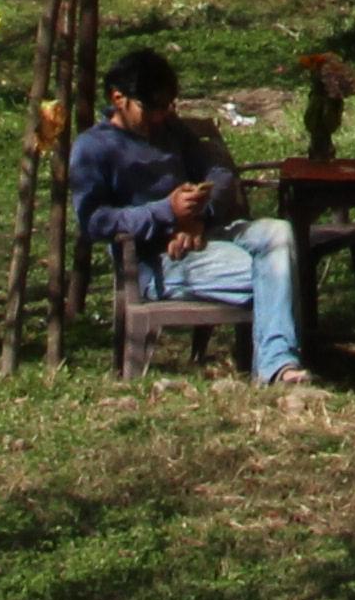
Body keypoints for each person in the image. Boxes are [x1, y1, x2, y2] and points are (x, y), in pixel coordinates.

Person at [65, 48, 311, 386]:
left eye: (167, 106)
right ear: (118, 98)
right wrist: (167, 212)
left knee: (278, 233)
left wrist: (198, 217)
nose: (160, 116)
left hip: (205, 235)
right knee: (276, 270)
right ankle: (277, 368)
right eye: (152, 108)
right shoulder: (93, 148)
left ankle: (276, 364)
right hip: (158, 260)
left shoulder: (172, 131)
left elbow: (220, 172)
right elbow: (95, 221)